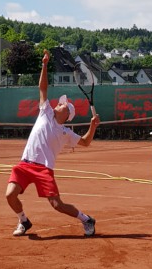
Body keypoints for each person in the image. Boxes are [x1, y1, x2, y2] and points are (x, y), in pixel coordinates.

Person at [6, 49, 100, 237]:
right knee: (10, 195)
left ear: (67, 115)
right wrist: (45, 64)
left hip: (43, 169)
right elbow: (42, 88)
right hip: (25, 164)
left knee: (57, 205)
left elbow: (85, 142)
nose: (58, 103)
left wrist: (93, 126)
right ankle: (24, 220)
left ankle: (87, 219)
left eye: (63, 104)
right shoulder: (45, 112)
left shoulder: (65, 132)